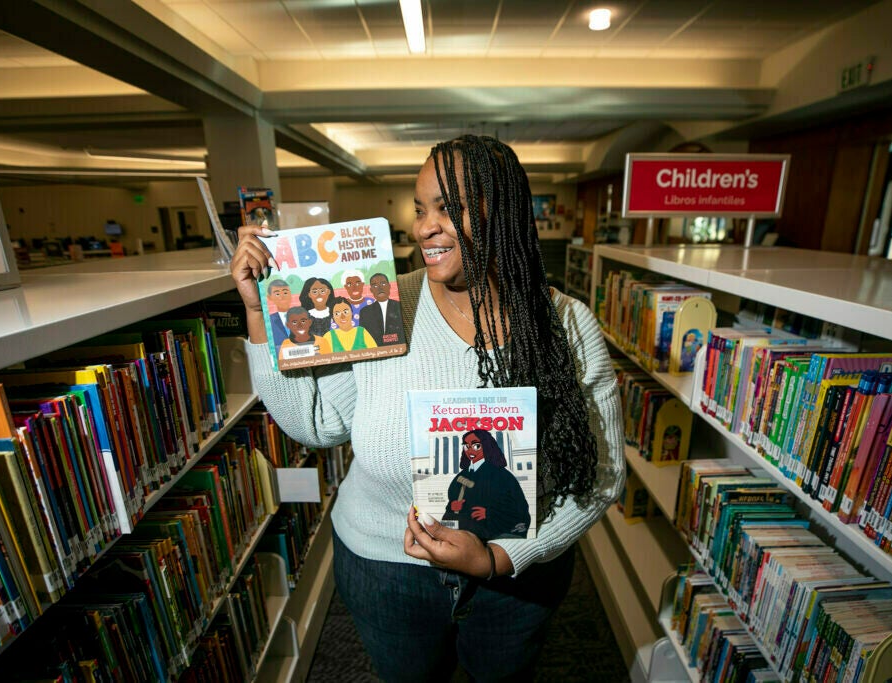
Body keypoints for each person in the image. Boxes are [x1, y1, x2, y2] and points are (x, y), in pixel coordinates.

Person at [229, 134, 624, 682]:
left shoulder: (567, 325)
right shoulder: (379, 304)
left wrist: (503, 556)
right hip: (387, 568)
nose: (424, 228)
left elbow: (602, 476)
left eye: (449, 208)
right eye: (420, 209)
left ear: (502, 213)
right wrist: (257, 314)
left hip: (516, 574)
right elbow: (315, 425)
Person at [443, 429, 530, 540]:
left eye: (476, 446)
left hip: (492, 532)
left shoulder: (502, 476)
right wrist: (452, 506)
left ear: (486, 445)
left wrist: (489, 513)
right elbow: (451, 503)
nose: (470, 451)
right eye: (466, 446)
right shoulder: (461, 477)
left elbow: (519, 509)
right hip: (464, 533)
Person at [359, 272, 405, 346]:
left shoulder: (400, 306)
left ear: (389, 286)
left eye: (383, 284)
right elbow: (364, 338)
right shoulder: (365, 312)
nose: (380, 288)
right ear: (371, 290)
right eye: (375, 285)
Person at [265, 279, 295, 355]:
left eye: (285, 293)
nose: (282, 297)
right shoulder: (268, 321)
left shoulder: (306, 316)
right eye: (277, 294)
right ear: (270, 297)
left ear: (290, 294)